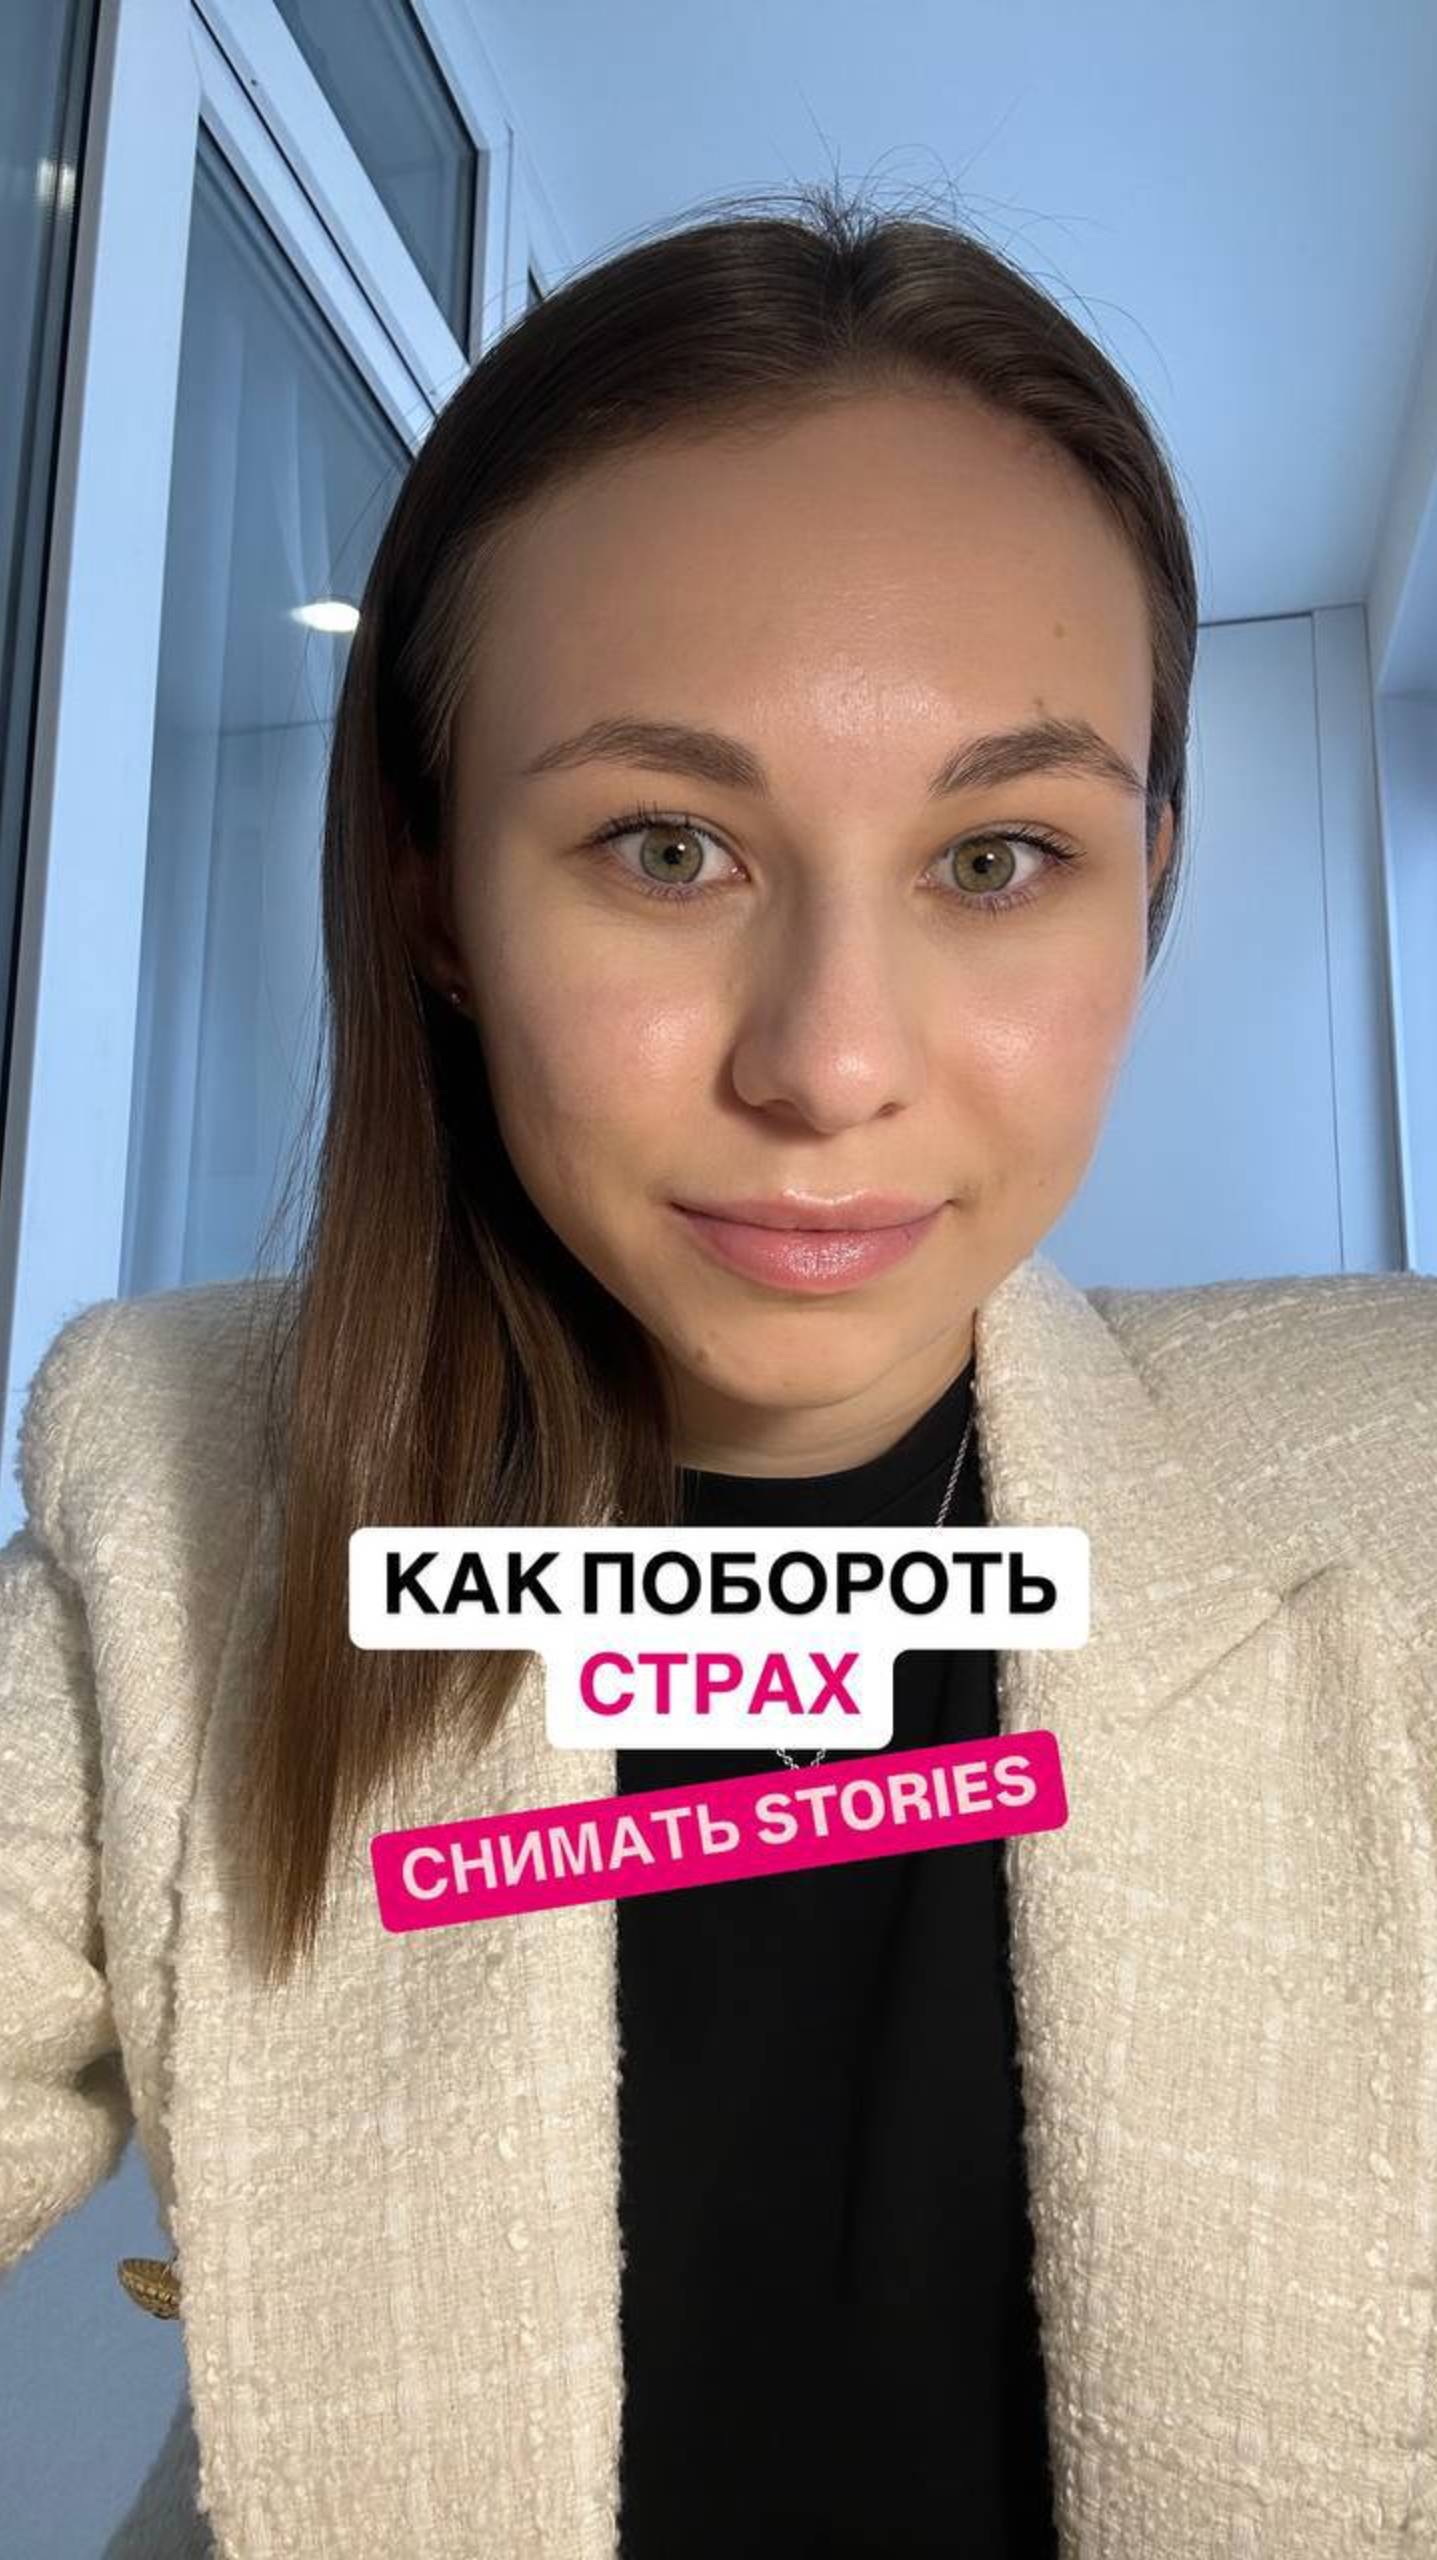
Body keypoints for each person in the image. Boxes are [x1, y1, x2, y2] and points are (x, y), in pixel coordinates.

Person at [2, 180, 1434, 2560]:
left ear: (1147, 883)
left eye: (995, 858)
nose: (829, 1062)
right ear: (435, 893)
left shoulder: (1397, 1489)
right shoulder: (176, 1522)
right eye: (666, 846)